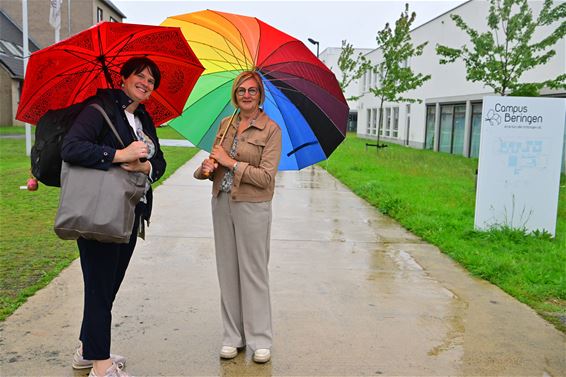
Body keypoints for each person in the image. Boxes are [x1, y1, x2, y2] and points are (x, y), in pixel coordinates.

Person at [61, 57, 166, 377]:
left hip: (130, 213)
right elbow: (72, 148)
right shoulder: (99, 108)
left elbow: (159, 162)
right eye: (141, 76)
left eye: (152, 81)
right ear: (124, 77)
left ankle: (87, 350)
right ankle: (101, 364)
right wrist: (119, 155)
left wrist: (145, 166)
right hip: (99, 212)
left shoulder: (143, 119)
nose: (146, 83)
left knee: (108, 286)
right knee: (99, 287)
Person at [194, 71, 282, 363]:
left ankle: (260, 339)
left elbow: (266, 178)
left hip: (253, 207)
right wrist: (206, 169)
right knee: (227, 270)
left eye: (252, 91)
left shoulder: (270, 130)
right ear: (235, 94)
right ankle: (233, 337)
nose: (246, 95)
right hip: (221, 203)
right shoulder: (226, 124)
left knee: (253, 272)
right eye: (241, 90)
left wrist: (231, 162)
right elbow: (213, 165)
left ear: (260, 95)